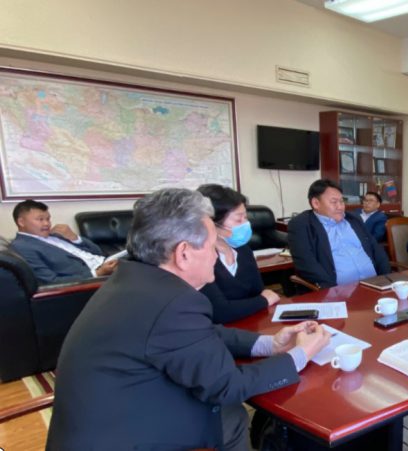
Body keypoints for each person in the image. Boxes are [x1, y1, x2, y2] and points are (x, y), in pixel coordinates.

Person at [47, 188, 330, 450]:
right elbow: (227, 386)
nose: (215, 257)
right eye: (212, 247)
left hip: (101, 418)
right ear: (183, 253)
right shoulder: (173, 302)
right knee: (231, 416)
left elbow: (203, 333)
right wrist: (299, 355)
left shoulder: (134, 278)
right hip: (122, 437)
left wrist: (270, 344)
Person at [197, 184, 281, 323]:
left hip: (250, 323)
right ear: (211, 223)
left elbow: (259, 292)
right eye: (238, 219)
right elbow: (220, 312)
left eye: (246, 217)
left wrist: (260, 300)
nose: (246, 224)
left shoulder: (243, 250)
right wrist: (263, 300)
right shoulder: (199, 258)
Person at [288, 179, 390, 289]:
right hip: (338, 291)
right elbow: (307, 264)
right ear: (316, 203)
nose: (340, 207)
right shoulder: (301, 225)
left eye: (342, 201)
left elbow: (376, 249)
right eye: (334, 202)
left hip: (375, 285)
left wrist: (387, 279)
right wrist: (333, 291)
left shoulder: (353, 219)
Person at [9, 199, 117, 284]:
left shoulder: (56, 235)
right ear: (21, 222)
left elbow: (98, 252)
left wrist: (74, 237)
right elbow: (50, 281)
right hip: (96, 280)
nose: (47, 224)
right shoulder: (22, 247)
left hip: (110, 265)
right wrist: (98, 274)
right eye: (40, 219)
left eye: (48, 219)